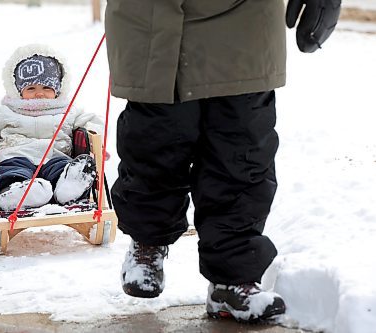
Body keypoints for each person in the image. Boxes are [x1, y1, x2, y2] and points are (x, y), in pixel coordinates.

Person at [104, 0, 340, 323]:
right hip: (155, 13)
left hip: (245, 12)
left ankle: (232, 277)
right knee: (157, 137)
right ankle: (147, 240)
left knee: (241, 147)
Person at [0, 44, 103, 211]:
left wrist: (97, 138)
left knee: (62, 167)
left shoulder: (68, 111)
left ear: (58, 88)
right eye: (31, 88)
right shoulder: (7, 110)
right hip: (16, 156)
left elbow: (91, 120)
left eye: (47, 87)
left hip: (54, 157)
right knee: (13, 171)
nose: (39, 93)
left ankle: (68, 188)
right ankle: (16, 193)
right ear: (19, 90)